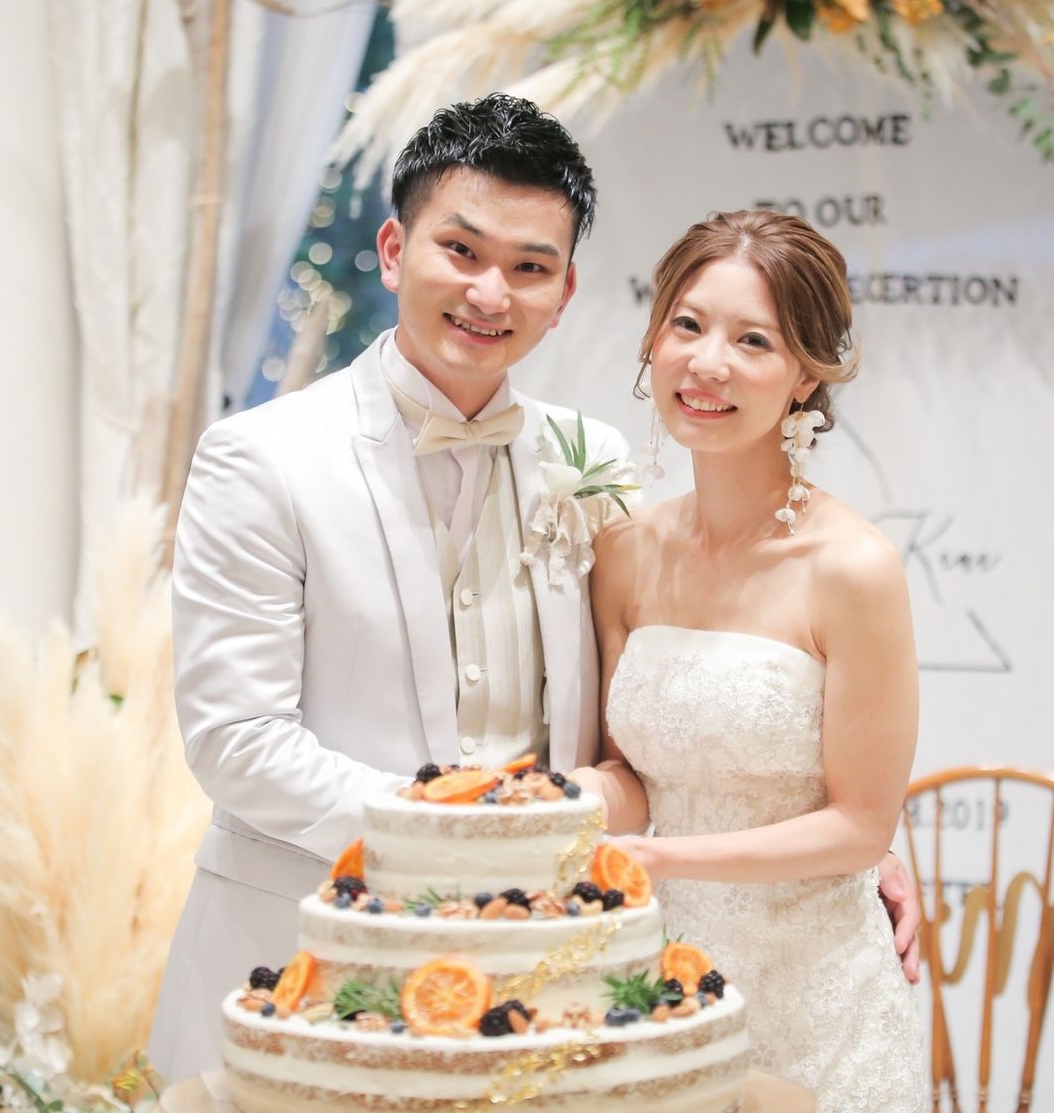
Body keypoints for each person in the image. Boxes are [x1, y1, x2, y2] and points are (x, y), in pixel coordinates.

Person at [148, 100, 920, 1081]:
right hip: (309, 967)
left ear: (563, 292)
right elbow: (238, 742)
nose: (488, 291)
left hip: (543, 994)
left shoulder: (587, 462)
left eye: (527, 266)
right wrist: (470, 830)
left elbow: (670, 718)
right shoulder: (260, 459)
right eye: (460, 250)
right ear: (393, 250)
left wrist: (861, 842)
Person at [573, 209, 927, 1110]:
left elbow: (860, 827)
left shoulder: (853, 568)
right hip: (656, 989)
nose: (708, 362)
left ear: (805, 374)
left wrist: (662, 859)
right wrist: (547, 805)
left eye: (753, 340)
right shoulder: (624, 551)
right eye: (687, 325)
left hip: (816, 1001)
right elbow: (626, 773)